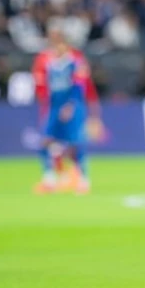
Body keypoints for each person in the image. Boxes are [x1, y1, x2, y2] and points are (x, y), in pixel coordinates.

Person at [31, 28, 102, 194]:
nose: (57, 47)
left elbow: (80, 85)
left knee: (75, 145)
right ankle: (49, 179)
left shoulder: (75, 61)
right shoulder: (48, 62)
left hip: (73, 107)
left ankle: (83, 180)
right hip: (54, 107)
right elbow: (43, 86)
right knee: (46, 141)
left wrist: (71, 105)